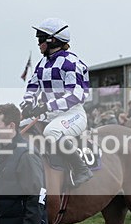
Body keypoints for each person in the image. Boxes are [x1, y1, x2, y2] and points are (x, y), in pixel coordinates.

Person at [20, 17, 93, 186]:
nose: (38, 43)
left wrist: (46, 106)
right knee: (18, 129)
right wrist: (28, 103)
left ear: (52, 40)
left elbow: (75, 96)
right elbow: (32, 85)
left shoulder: (71, 63)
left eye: (40, 39)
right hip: (48, 113)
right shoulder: (43, 63)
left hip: (72, 114)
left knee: (51, 133)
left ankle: (81, 169)